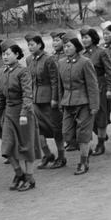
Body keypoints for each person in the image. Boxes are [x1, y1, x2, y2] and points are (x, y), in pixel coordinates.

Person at [0, 40, 41, 191]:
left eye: (8, 54)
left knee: (26, 146)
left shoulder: (23, 71)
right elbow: (1, 95)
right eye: (3, 54)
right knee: (6, 147)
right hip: (9, 113)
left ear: (16, 54)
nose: (5, 57)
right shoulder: (2, 71)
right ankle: (19, 173)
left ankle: (29, 177)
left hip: (23, 113)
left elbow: (27, 94)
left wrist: (24, 113)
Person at [56, 33, 100, 175]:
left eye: (69, 46)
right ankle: (86, 147)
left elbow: (92, 85)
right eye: (64, 46)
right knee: (67, 133)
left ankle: (83, 161)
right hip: (67, 102)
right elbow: (60, 86)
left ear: (76, 47)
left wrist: (94, 106)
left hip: (84, 103)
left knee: (83, 133)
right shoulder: (61, 63)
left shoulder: (85, 62)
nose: (66, 48)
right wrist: (60, 102)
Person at [25, 34, 66, 169]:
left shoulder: (49, 59)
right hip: (36, 99)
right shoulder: (29, 60)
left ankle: (61, 156)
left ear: (40, 45)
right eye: (28, 45)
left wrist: (55, 98)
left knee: (55, 128)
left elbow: (55, 80)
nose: (30, 47)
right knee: (38, 129)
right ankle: (47, 154)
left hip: (49, 100)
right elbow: (29, 81)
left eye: (32, 44)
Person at [80, 27, 111, 156]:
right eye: (82, 37)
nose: (84, 40)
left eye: (86, 37)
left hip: (100, 86)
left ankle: (101, 143)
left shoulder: (101, 52)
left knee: (101, 115)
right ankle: (101, 135)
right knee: (87, 115)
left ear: (93, 38)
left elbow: (110, 71)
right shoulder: (82, 55)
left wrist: (110, 88)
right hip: (86, 89)